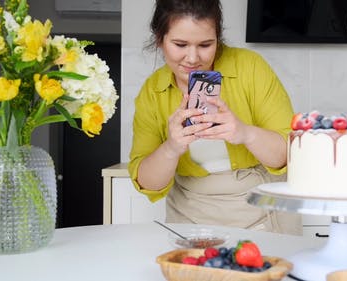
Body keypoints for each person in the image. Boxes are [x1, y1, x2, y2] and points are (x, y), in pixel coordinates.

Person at [128, 0, 302, 234]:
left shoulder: (250, 67)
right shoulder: (153, 91)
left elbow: (288, 153)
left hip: (262, 211)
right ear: (160, 39)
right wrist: (171, 147)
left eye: (205, 45)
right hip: (189, 218)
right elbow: (146, 182)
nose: (192, 58)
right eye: (180, 44)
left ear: (218, 39)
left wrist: (244, 133)